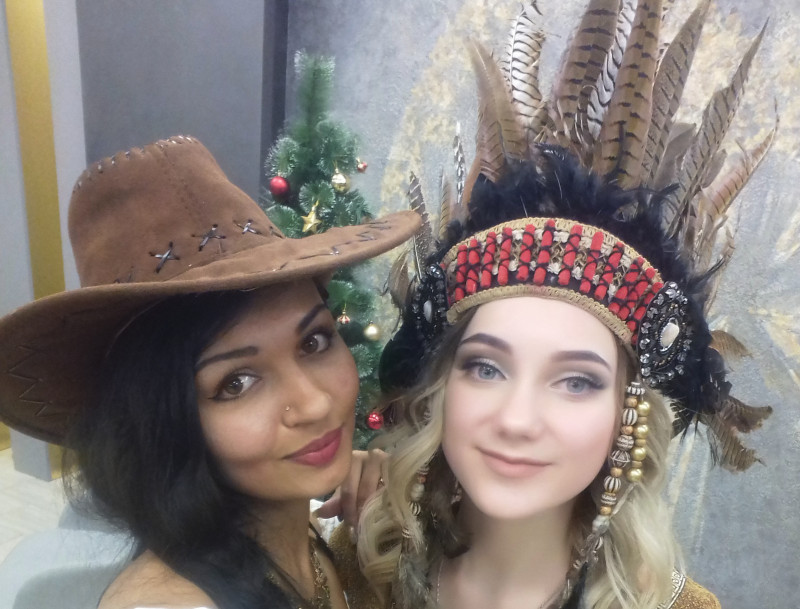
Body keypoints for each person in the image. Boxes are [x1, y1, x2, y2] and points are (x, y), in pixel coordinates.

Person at [349, 1, 775, 608]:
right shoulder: (353, 576)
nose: (517, 420)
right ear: (440, 385)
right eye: (485, 368)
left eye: (577, 381)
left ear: (629, 411)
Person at [0, 135, 420, 609]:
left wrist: (381, 519)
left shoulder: (298, 523)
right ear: (159, 421)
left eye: (314, 341)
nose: (315, 403)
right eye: (237, 383)